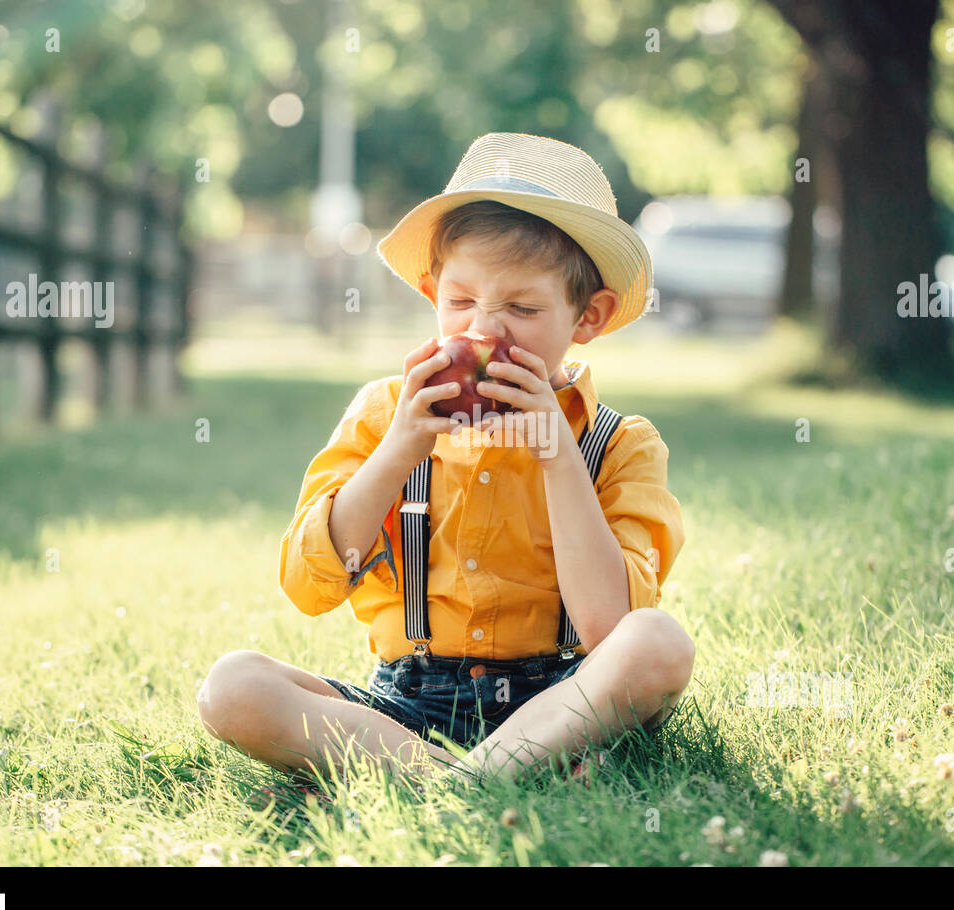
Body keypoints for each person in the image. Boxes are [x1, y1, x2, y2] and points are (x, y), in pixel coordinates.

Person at [197, 132, 691, 786]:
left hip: (559, 697)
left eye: (521, 307)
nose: (483, 331)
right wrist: (400, 448)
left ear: (587, 317)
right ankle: (479, 777)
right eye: (460, 303)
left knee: (658, 643)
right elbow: (308, 585)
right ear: (432, 293)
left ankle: (476, 771)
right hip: (406, 705)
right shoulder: (384, 416)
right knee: (232, 687)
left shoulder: (618, 444)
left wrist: (558, 458)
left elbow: (608, 629)